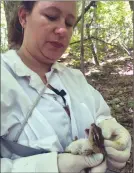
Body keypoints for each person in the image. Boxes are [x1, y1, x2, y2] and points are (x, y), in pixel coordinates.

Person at [1, 1, 131, 173]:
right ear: (24, 17)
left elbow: (101, 117)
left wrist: (114, 136)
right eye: (51, 16)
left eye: (69, 23)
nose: (62, 30)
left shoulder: (75, 78)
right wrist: (51, 167)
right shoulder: (5, 78)